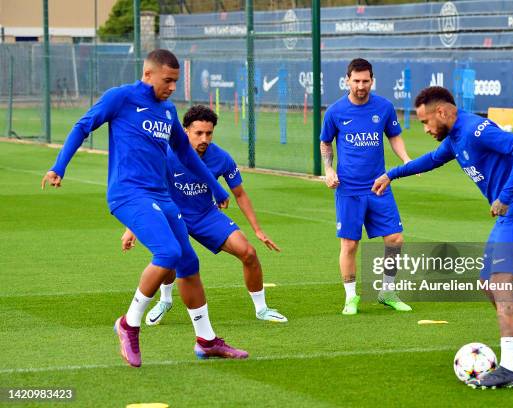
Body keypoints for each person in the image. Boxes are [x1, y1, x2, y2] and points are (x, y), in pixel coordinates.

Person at [41, 49, 248, 368]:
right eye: (168, 80)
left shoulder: (167, 111)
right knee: (167, 253)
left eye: (176, 82)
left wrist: (214, 184)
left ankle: (206, 341)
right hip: (128, 193)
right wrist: (59, 166)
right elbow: (83, 126)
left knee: (188, 263)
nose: (172, 88)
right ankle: (129, 323)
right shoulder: (121, 98)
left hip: (161, 196)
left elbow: (187, 154)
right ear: (148, 74)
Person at [372, 86, 513, 389]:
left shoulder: (475, 130)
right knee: (487, 284)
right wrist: (392, 174)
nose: (426, 129)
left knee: (500, 283)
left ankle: (508, 369)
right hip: (510, 214)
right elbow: (430, 159)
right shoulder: (455, 138)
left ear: (442, 112)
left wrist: (505, 196)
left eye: (426, 122)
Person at [121, 105, 287, 324]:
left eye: (209, 133)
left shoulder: (221, 158)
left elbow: (240, 194)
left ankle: (261, 309)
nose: (204, 139)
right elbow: (148, 191)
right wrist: (131, 229)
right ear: (185, 131)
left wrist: (258, 230)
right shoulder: (167, 156)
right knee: (169, 257)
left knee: (248, 253)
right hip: (172, 214)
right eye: (198, 133)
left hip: (206, 215)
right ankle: (165, 300)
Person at [320, 58, 414, 315]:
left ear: (372, 80)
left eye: (365, 81)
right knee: (350, 244)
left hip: (379, 186)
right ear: (347, 80)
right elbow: (326, 143)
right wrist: (329, 170)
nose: (361, 86)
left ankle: (387, 291)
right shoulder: (335, 111)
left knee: (395, 239)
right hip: (349, 189)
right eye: (356, 81)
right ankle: (351, 297)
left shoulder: (384, 107)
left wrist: (406, 160)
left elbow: (393, 136)